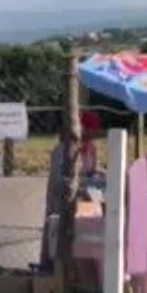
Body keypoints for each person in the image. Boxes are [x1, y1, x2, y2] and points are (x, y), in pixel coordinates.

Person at [40, 110, 104, 267]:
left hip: (84, 202)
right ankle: (52, 270)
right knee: (57, 237)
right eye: (90, 131)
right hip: (61, 203)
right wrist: (80, 183)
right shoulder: (62, 151)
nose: (92, 136)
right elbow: (57, 182)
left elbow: (92, 171)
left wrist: (99, 177)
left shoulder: (91, 149)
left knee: (89, 233)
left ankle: (84, 268)